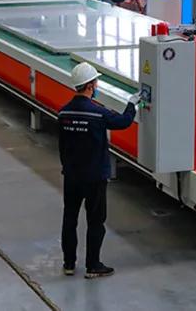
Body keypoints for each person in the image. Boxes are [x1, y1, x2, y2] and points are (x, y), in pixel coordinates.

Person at [58, 63, 140, 279]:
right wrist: (132, 104)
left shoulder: (63, 112)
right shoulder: (97, 113)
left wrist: (68, 167)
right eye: (96, 82)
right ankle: (93, 265)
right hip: (94, 177)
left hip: (72, 176)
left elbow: (62, 146)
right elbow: (123, 122)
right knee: (95, 221)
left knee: (70, 218)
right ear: (90, 86)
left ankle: (68, 263)